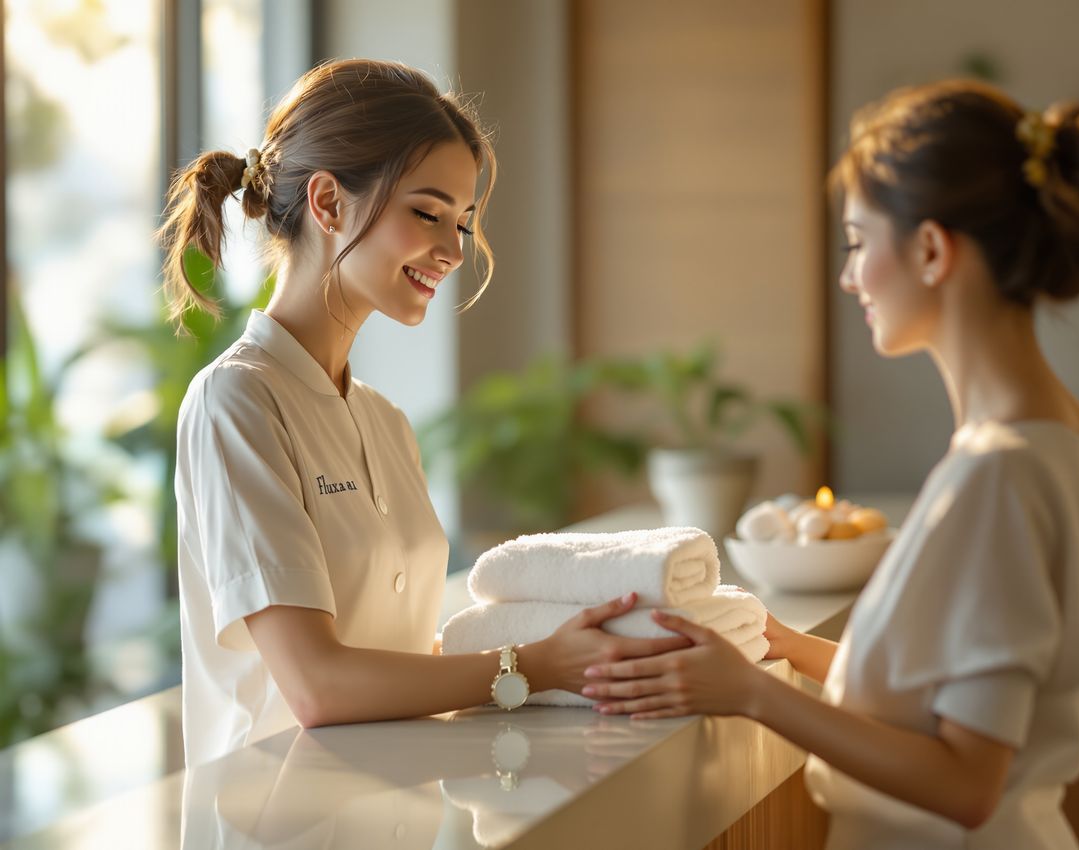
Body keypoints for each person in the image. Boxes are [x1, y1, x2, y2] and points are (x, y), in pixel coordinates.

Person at [582, 79, 1079, 850]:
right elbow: (949, 694)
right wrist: (781, 642)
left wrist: (752, 693)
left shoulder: (999, 475)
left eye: (856, 242)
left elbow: (966, 783)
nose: (849, 278)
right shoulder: (1072, 439)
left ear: (930, 249)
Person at [160, 58, 688, 770]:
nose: (452, 250)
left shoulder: (382, 420)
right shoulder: (237, 401)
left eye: (462, 223)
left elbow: (400, 654)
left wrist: (589, 649)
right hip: (275, 820)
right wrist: (536, 663)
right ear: (328, 203)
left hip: (393, 809)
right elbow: (319, 685)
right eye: (427, 213)